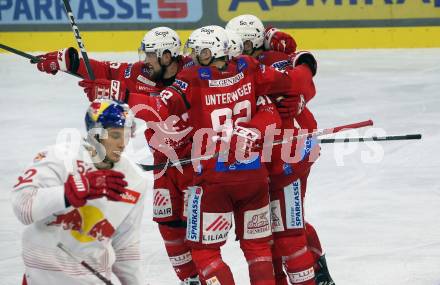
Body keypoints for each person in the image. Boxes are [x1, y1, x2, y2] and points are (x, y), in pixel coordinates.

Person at [34, 27, 201, 285]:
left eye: (151, 56)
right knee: (168, 223)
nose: (145, 61)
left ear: (168, 57)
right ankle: (190, 280)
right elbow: (105, 71)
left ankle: (207, 275)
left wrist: (116, 93)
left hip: (199, 165)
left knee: (198, 231)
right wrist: (68, 59)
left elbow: (159, 108)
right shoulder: (142, 73)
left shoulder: (193, 72)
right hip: (165, 166)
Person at [146, 25, 304, 285]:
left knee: (204, 252)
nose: (193, 56)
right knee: (259, 249)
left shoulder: (191, 77)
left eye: (198, 51)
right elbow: (286, 85)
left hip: (211, 179)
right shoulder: (250, 69)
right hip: (254, 174)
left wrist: (123, 96)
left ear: (210, 52)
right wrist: (298, 72)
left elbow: (159, 107)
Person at [226, 14, 334, 285]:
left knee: (286, 223)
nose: (234, 53)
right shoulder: (235, 64)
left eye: (241, 47)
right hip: (262, 153)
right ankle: (308, 271)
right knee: (276, 222)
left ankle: (317, 271)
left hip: (290, 150)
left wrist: (300, 97)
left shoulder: (272, 60)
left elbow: (304, 81)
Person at [11, 99, 148, 285]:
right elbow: (24, 207)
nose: (122, 144)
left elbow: (125, 248)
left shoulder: (134, 180)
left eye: (126, 136)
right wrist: (67, 193)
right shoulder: (58, 157)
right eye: (115, 135)